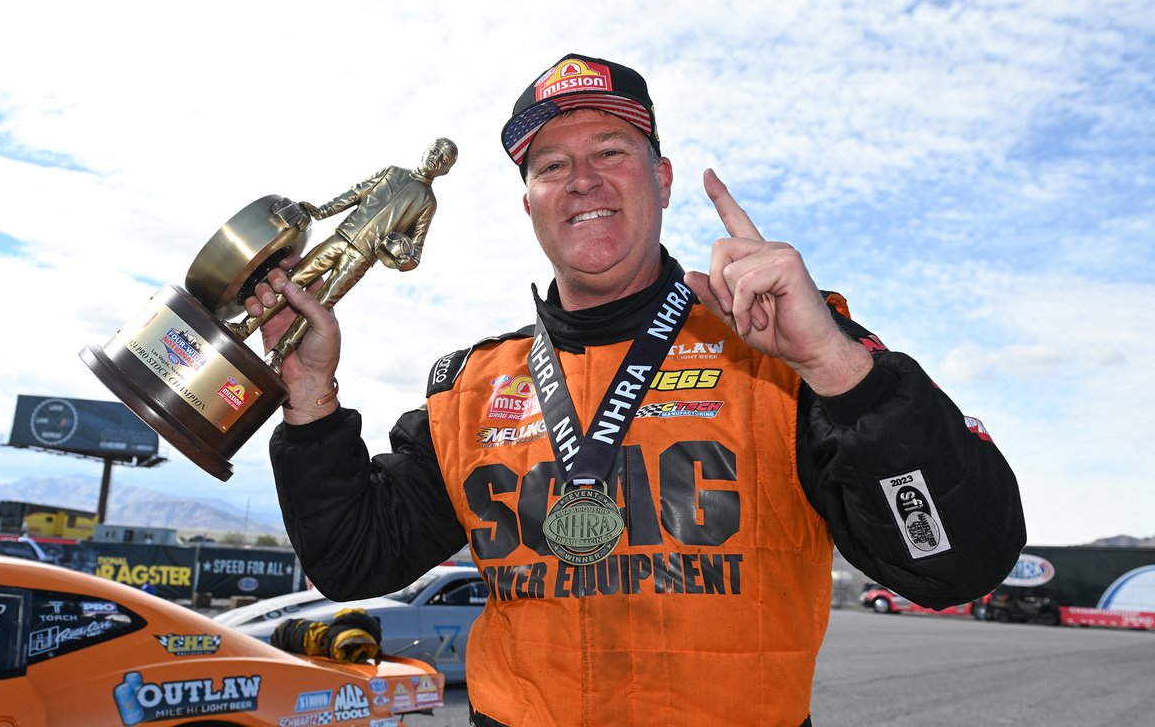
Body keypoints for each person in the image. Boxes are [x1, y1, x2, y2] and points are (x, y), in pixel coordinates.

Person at [246, 53, 1025, 727]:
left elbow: (961, 564)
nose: (582, 179)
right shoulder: (471, 389)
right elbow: (353, 560)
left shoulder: (789, 348)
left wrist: (834, 365)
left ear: (662, 178)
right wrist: (311, 396)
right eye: (550, 165)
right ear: (530, 204)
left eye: (611, 150)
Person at [232, 137, 457, 372]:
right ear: (425, 150)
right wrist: (322, 211)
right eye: (435, 151)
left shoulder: (427, 202)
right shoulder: (392, 172)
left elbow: (415, 250)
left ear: (445, 170)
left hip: (363, 258)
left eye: (443, 159)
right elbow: (354, 194)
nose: (436, 159)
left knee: (318, 305)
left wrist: (403, 259)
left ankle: (279, 354)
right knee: (292, 281)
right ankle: (244, 328)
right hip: (341, 237)